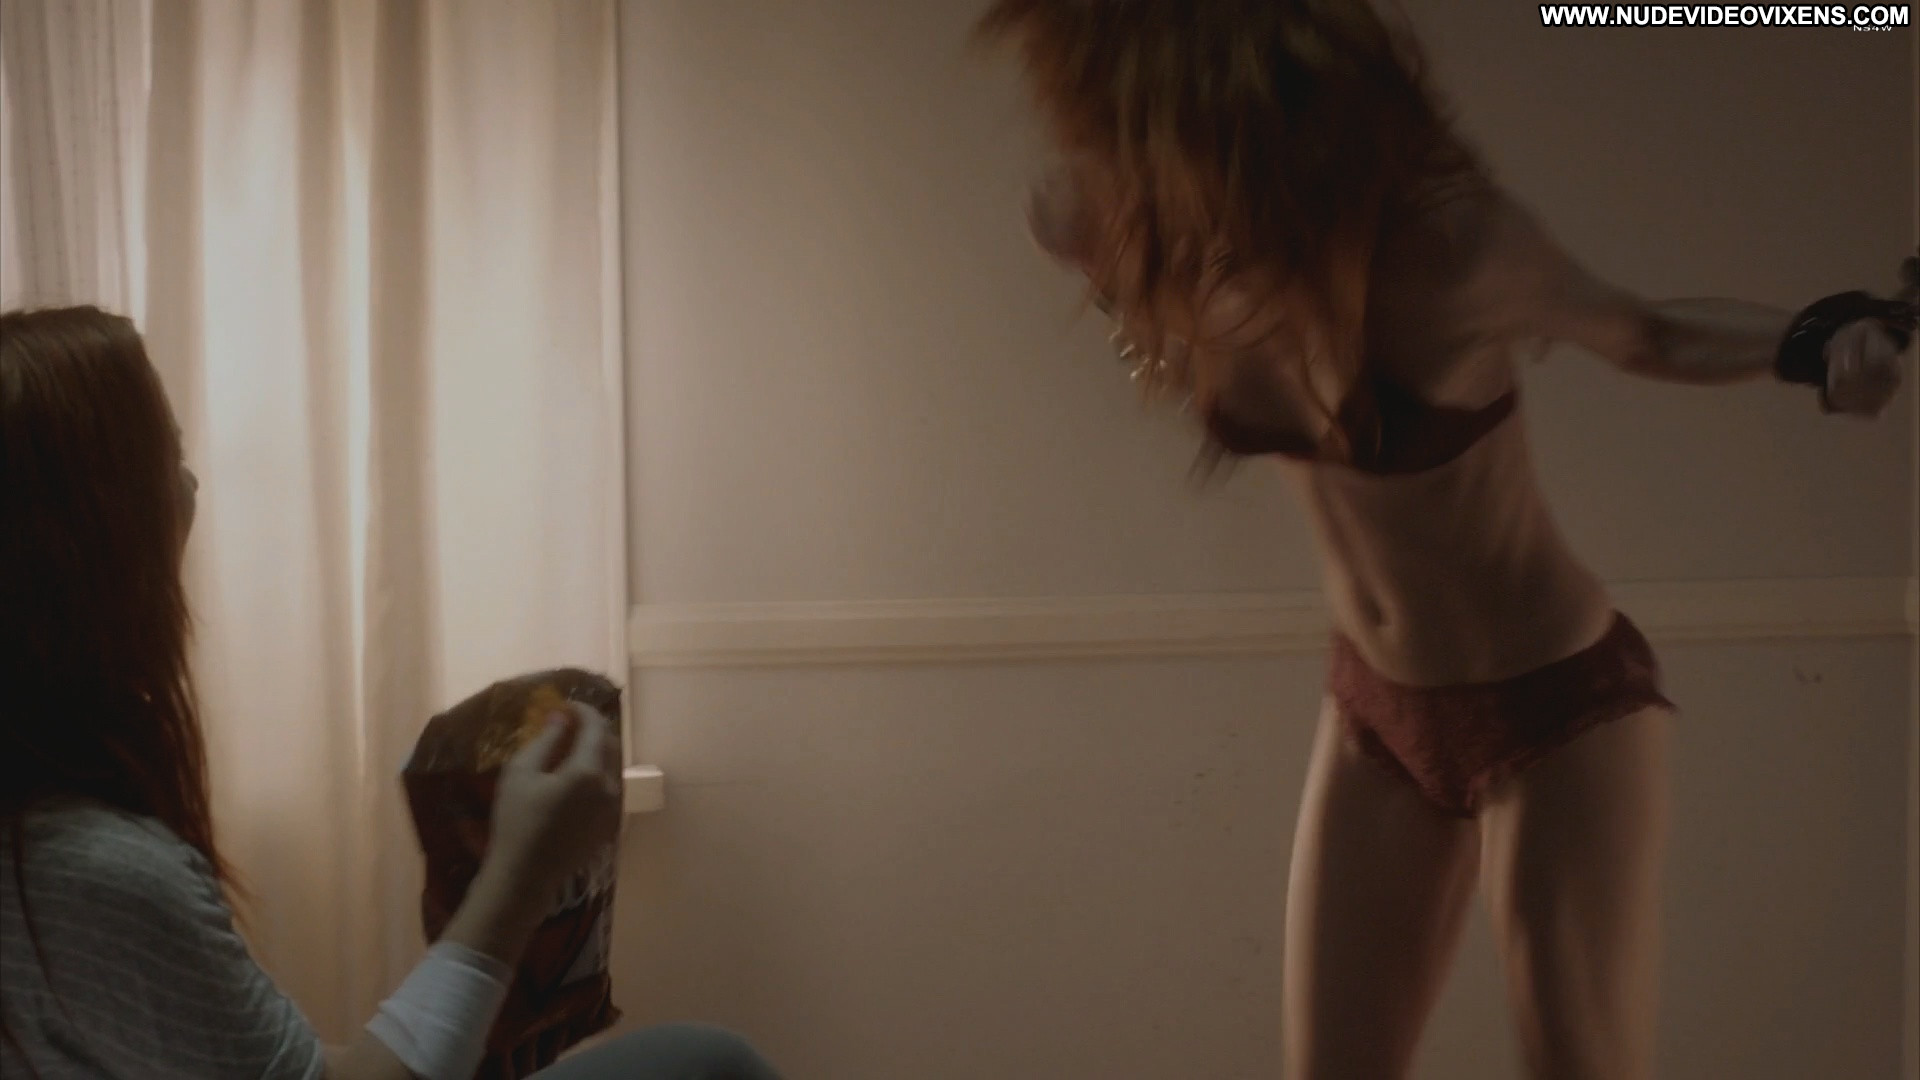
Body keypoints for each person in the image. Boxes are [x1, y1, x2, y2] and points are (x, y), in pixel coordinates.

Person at [975, 2, 1912, 1078]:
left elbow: (1645, 332)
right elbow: (1081, 228)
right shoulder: (1155, 234)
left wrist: (1819, 340)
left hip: (1557, 709)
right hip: (1376, 710)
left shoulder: (1452, 248)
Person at [0, 305, 783, 1080]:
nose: (190, 485)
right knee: (713, 1063)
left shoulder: (54, 839)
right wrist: (521, 876)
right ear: (86, 536)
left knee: (705, 1057)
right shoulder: (91, 873)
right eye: (164, 460)